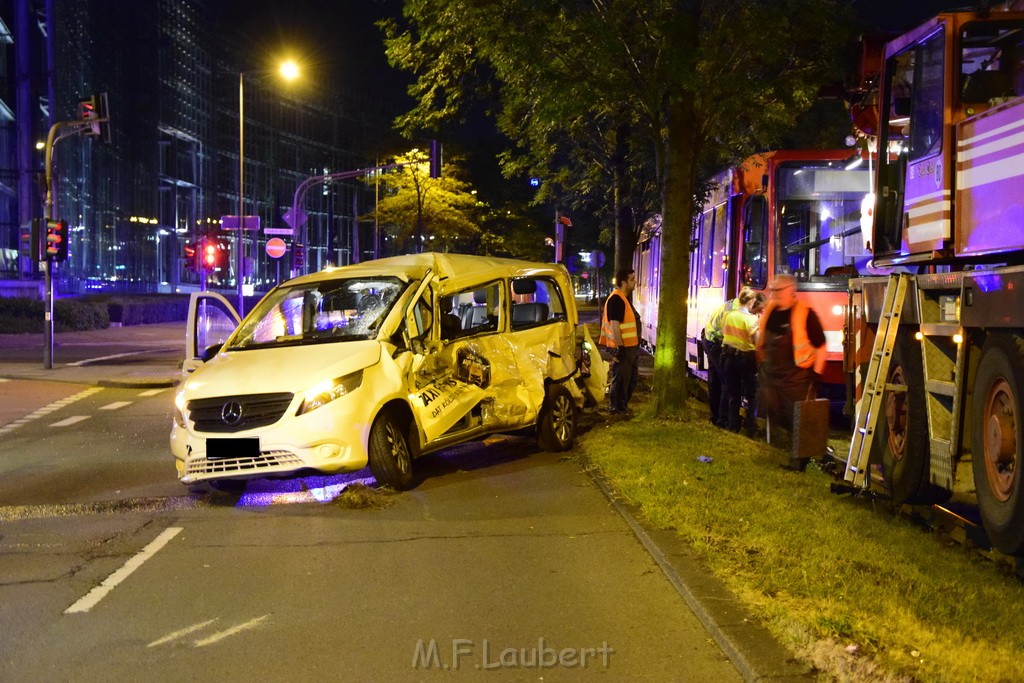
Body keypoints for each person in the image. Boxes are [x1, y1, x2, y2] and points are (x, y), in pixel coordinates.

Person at [756, 274, 827, 471]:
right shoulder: (770, 311)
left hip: (797, 376)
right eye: (772, 290)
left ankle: (800, 461)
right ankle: (789, 448)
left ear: (790, 290)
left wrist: (816, 374)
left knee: (798, 418)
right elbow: (762, 338)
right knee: (773, 411)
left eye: (777, 290)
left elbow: (820, 346)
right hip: (772, 373)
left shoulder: (805, 313)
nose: (773, 294)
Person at [702, 287, 754, 427]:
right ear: (750, 302)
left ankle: (715, 417)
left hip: (709, 338)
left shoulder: (734, 304)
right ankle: (723, 420)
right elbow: (729, 333)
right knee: (727, 383)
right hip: (716, 342)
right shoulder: (735, 312)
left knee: (716, 380)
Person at [721, 292, 766, 437]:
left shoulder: (729, 315)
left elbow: (724, 333)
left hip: (729, 358)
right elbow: (756, 340)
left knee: (734, 394)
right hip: (746, 359)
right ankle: (751, 427)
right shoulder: (750, 319)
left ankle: (733, 426)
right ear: (751, 301)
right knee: (751, 395)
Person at [599, 268, 641, 415]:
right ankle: (616, 408)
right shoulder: (616, 299)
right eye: (632, 279)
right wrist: (620, 347)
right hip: (623, 347)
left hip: (631, 347)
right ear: (623, 282)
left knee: (630, 379)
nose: (635, 281)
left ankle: (622, 406)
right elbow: (615, 325)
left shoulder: (622, 298)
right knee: (621, 379)